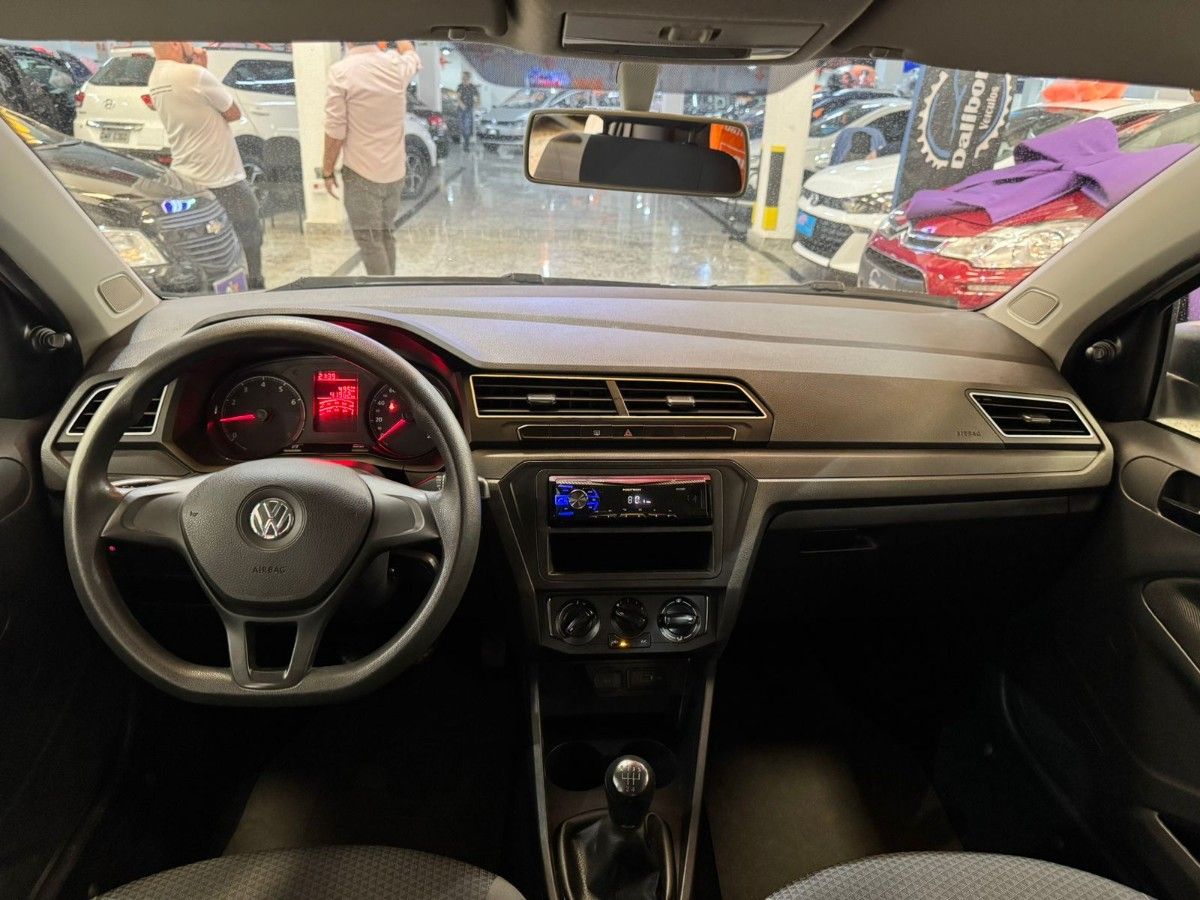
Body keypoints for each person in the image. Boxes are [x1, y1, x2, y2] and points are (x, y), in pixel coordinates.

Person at [148, 42, 264, 289]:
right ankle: (254, 286)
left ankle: (215, 288)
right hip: (222, 176)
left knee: (206, 241)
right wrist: (201, 69)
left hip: (186, 176)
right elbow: (233, 113)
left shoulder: (155, 77)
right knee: (250, 232)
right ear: (176, 43)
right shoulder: (194, 74)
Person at [323, 41, 421, 277]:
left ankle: (383, 293)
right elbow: (412, 56)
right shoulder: (396, 64)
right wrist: (403, 42)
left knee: (369, 240)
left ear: (348, 40)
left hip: (361, 174)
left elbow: (335, 131)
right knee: (385, 233)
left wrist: (327, 171)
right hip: (395, 173)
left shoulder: (341, 72)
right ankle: (390, 286)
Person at [456, 71, 479, 151]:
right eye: (463, 78)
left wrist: (475, 105)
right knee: (461, 127)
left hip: (469, 109)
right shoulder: (460, 87)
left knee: (467, 126)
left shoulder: (472, 88)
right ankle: (465, 141)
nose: (464, 80)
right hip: (461, 109)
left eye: (465, 78)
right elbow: (458, 98)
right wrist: (461, 105)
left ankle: (466, 144)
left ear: (468, 79)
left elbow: (475, 98)